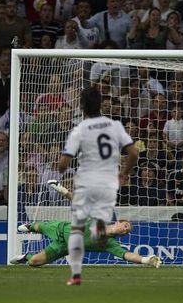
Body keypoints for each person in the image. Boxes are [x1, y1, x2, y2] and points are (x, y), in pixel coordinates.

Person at [58, 87, 138, 286]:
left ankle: (76, 275)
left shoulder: (79, 130)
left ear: (82, 107)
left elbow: (63, 165)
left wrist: (61, 166)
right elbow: (134, 153)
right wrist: (124, 173)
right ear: (101, 104)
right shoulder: (115, 126)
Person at [10, 219, 161, 268]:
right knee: (39, 227)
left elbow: (126, 255)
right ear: (118, 222)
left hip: (63, 247)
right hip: (60, 229)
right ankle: (30, 225)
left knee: (34, 262)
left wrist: (145, 260)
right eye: (126, 226)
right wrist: (62, 189)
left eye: (127, 231)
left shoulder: (109, 243)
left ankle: (25, 256)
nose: (125, 230)